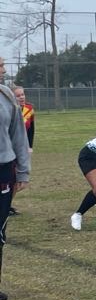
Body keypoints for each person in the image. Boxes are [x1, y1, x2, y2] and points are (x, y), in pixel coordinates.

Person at [0, 56, 31, 300]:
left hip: (4, 169)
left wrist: (22, 171)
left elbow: (18, 135)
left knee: (0, 229)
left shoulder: (6, 95)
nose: (3, 70)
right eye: (0, 65)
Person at [9, 84, 34, 216]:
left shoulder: (29, 109)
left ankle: (7, 204)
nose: (21, 97)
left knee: (19, 181)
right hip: (10, 150)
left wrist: (30, 146)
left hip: (22, 149)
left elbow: (31, 130)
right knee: (11, 179)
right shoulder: (8, 110)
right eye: (18, 95)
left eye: (23, 94)